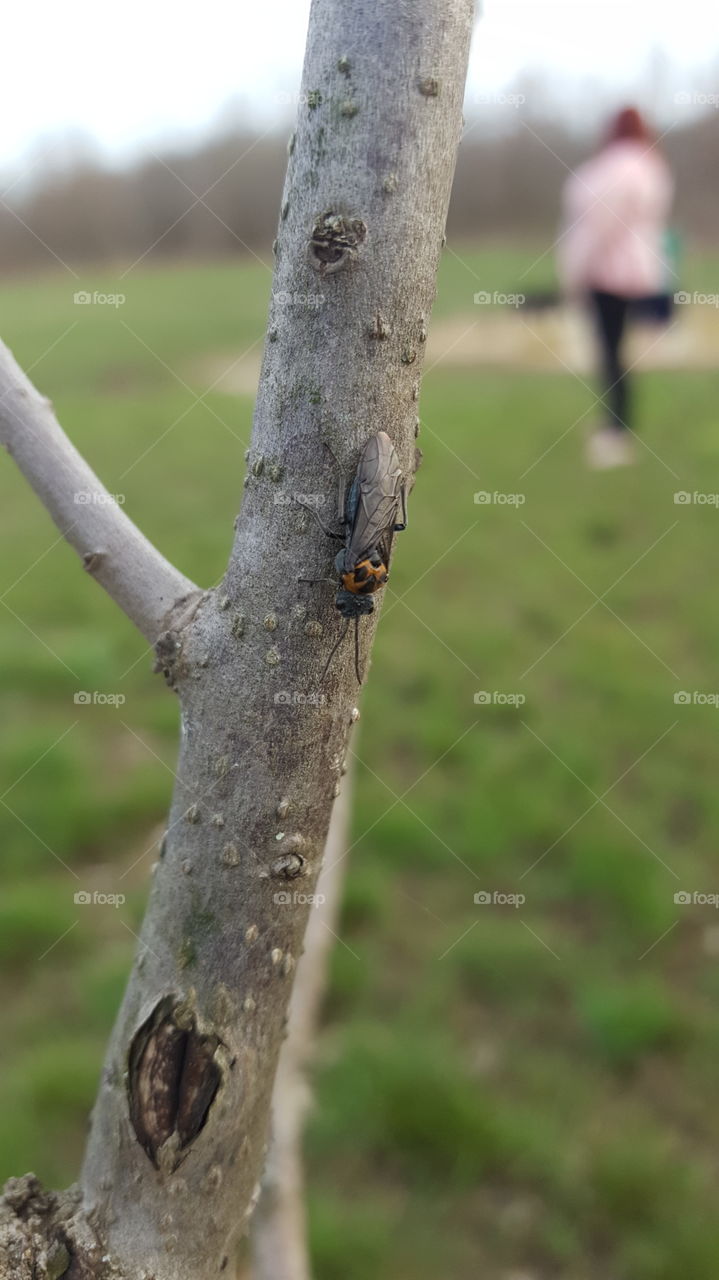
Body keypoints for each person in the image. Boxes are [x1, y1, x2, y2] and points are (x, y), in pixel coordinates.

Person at [558, 107, 674, 469]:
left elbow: (596, 228)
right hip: (641, 272)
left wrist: (575, 273)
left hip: (607, 274)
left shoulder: (607, 170)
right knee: (619, 352)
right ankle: (617, 428)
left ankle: (615, 432)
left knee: (611, 355)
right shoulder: (652, 166)